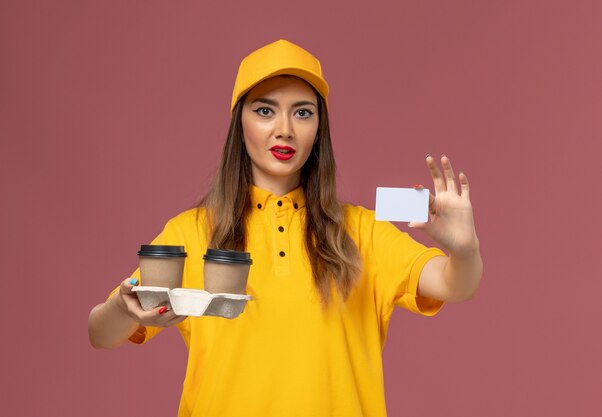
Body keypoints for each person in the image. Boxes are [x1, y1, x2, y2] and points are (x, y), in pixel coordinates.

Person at [88, 39, 483, 417]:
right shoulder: (191, 233)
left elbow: (455, 285)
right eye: (264, 110)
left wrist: (464, 249)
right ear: (239, 122)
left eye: (302, 112)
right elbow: (101, 334)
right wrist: (123, 309)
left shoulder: (362, 232)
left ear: (319, 128)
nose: (285, 129)